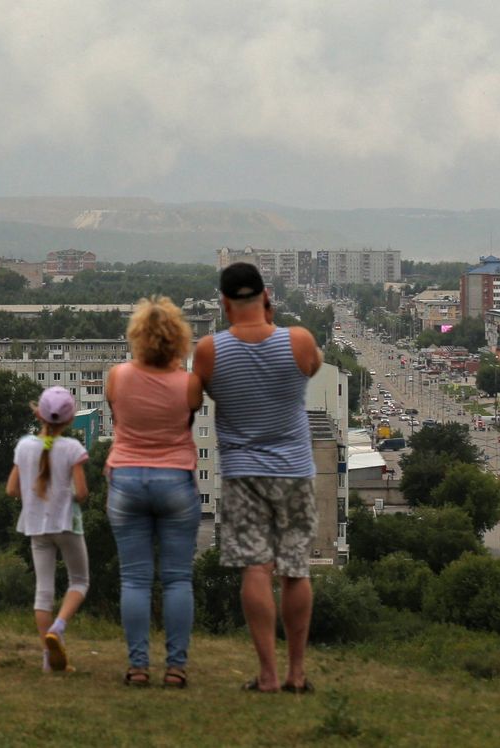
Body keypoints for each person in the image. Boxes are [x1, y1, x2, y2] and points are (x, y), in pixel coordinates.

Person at [189, 262, 322, 694]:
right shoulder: (297, 340)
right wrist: (273, 322)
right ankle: (296, 674)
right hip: (295, 471)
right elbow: (313, 366)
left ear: (225, 303)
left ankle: (266, 674)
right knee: (296, 570)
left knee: (255, 569)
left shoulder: (209, 350)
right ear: (266, 295)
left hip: (242, 473)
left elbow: (196, 395)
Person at [104, 296, 201, 688]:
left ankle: (138, 666)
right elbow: (187, 419)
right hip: (175, 480)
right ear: (179, 339)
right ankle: (175, 667)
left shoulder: (118, 377)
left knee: (135, 580)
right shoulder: (189, 383)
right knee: (177, 579)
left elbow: (117, 414)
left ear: (137, 337)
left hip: (126, 480)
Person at [5, 385, 90, 673]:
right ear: (69, 420)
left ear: (38, 414)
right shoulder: (73, 449)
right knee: (79, 581)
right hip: (67, 524)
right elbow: (81, 493)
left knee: (43, 592)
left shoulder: (24, 446)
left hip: (36, 527)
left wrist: (35, 494)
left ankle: (48, 659)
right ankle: (59, 626)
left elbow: (11, 489)